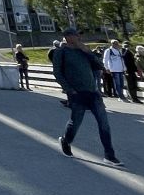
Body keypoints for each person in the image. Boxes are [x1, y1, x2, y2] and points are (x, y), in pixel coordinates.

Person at [51, 28, 122, 165]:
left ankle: (109, 155)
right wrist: (69, 90)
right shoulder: (61, 52)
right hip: (77, 93)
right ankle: (66, 141)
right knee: (75, 122)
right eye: (76, 35)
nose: (79, 37)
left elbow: (99, 66)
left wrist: (88, 52)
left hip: (93, 92)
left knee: (104, 123)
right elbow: (57, 72)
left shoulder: (83, 51)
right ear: (68, 37)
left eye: (79, 35)